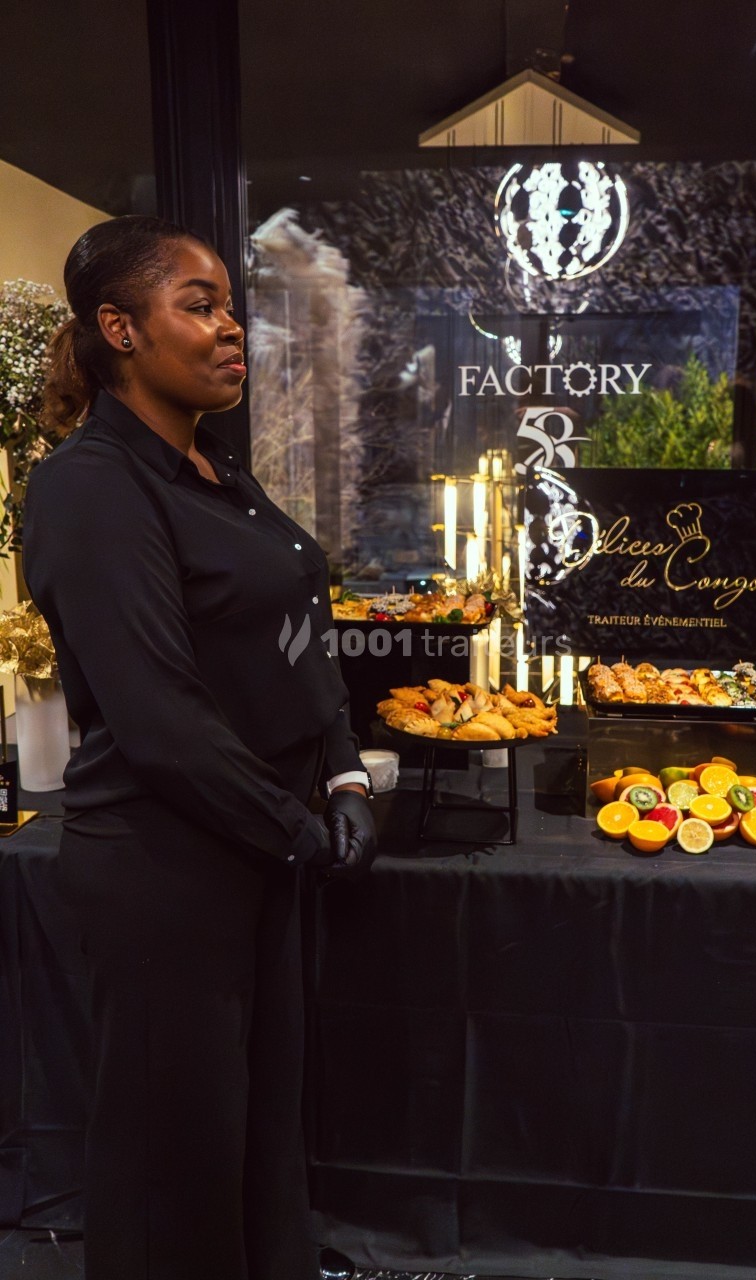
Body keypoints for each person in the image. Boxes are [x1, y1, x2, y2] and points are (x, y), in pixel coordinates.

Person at [22, 214, 376, 1280]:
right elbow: (161, 719)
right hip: (165, 870)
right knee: (175, 1162)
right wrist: (300, 832)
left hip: (256, 851)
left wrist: (347, 767)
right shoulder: (88, 485)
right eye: (201, 304)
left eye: (229, 303)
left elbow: (300, 633)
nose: (232, 329)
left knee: (256, 1141)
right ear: (119, 327)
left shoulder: (214, 465)